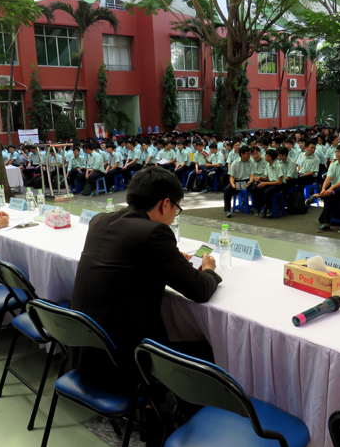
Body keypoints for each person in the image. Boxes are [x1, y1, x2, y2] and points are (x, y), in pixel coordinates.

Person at [70, 166, 221, 393]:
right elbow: (199, 290)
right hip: (122, 358)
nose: (174, 215)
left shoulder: (99, 220)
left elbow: (130, 257)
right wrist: (209, 270)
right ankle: (168, 403)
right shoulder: (154, 233)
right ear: (165, 204)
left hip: (84, 346)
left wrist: (169, 257)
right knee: (208, 347)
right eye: (177, 209)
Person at [314, 144, 340, 232]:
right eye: (336, 151)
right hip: (336, 190)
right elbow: (328, 178)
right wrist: (323, 189)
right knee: (328, 197)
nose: (337, 153)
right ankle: (326, 224)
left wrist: (331, 188)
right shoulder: (333, 165)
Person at [250, 149, 284, 217]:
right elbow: (267, 178)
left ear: (270, 157)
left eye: (266, 155)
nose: (264, 156)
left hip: (278, 185)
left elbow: (280, 182)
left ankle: (268, 208)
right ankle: (263, 205)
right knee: (255, 188)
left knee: (267, 192)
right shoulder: (268, 165)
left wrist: (266, 183)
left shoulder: (279, 166)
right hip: (270, 183)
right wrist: (260, 178)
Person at [223, 145, 253, 217]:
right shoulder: (235, 163)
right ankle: (227, 210)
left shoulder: (251, 162)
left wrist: (251, 181)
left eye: (249, 153)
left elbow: (252, 175)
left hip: (248, 182)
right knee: (227, 189)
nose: (249, 155)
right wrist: (232, 184)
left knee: (256, 188)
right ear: (242, 154)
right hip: (238, 182)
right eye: (247, 154)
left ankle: (257, 207)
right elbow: (231, 176)